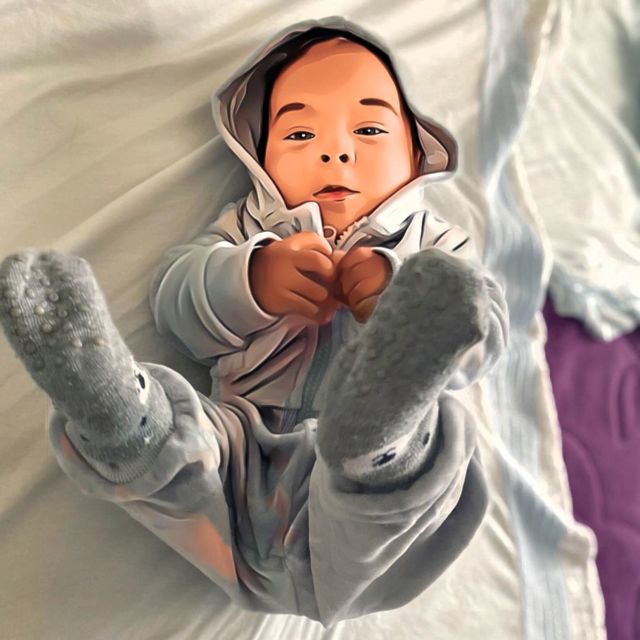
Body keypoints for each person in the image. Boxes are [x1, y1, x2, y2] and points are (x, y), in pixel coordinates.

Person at [0, 19, 509, 628]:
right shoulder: (248, 230)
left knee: (422, 455)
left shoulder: (436, 247)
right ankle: (123, 420)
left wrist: (398, 290)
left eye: (370, 129)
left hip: (377, 512)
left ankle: (378, 439)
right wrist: (252, 280)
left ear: (417, 152)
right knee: (181, 453)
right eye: (300, 132)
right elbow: (175, 306)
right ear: (258, 154)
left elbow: (482, 332)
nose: (336, 151)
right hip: (240, 448)